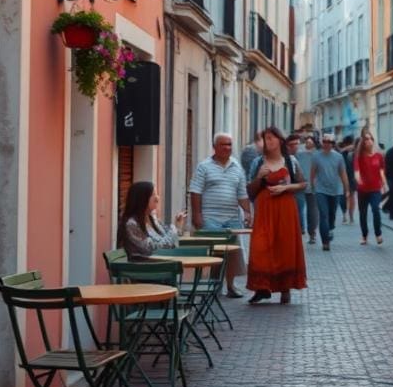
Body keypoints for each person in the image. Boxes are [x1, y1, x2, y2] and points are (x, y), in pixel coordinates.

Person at [244, 126, 308, 304]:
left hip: (286, 209)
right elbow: (250, 191)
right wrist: (259, 178)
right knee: (260, 247)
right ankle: (262, 287)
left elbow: (303, 184)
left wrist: (286, 187)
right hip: (265, 210)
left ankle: (285, 287)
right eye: (265, 139)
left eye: (271, 138)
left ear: (280, 140)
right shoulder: (258, 162)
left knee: (284, 246)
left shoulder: (291, 161)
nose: (268, 142)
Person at [189, 132, 251, 298]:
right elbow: (195, 192)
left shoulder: (237, 167)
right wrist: (197, 215)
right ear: (215, 147)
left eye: (229, 144)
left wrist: (247, 212)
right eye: (223, 144)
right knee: (216, 254)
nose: (227, 148)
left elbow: (242, 194)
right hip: (210, 218)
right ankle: (214, 287)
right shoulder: (204, 166)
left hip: (232, 218)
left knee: (232, 255)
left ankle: (230, 286)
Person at [117, 181, 185, 260]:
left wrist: (178, 227)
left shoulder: (152, 218)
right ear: (142, 199)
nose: (157, 198)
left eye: (156, 194)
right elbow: (155, 248)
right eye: (153, 195)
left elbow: (169, 241)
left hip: (160, 265)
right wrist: (174, 228)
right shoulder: (132, 224)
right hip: (144, 269)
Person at [309, 132, 349, 251]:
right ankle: (325, 242)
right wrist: (312, 186)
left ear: (332, 144)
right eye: (324, 142)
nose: (326, 144)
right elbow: (313, 173)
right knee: (324, 215)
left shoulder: (338, 157)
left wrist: (347, 189)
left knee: (331, 215)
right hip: (321, 190)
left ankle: (330, 228)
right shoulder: (316, 156)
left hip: (335, 190)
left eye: (329, 142)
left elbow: (343, 173)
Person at [352, 129, 387, 245]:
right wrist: (358, 179)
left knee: (376, 210)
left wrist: (384, 184)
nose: (369, 141)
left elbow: (381, 171)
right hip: (362, 190)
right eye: (366, 139)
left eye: (371, 138)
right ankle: (364, 235)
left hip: (375, 189)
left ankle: (378, 234)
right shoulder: (359, 156)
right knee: (363, 213)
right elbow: (356, 170)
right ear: (363, 142)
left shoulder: (379, 156)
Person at [296, 135, 320, 244]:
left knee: (312, 211)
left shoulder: (318, 155)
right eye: (307, 142)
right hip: (300, 186)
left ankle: (312, 234)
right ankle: (301, 229)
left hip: (313, 187)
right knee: (299, 209)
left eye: (310, 142)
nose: (308, 144)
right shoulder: (299, 154)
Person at [341, 135, 357, 224]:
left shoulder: (342, 153)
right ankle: (351, 217)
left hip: (343, 178)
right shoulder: (355, 152)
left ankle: (345, 215)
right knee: (351, 197)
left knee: (344, 197)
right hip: (352, 178)